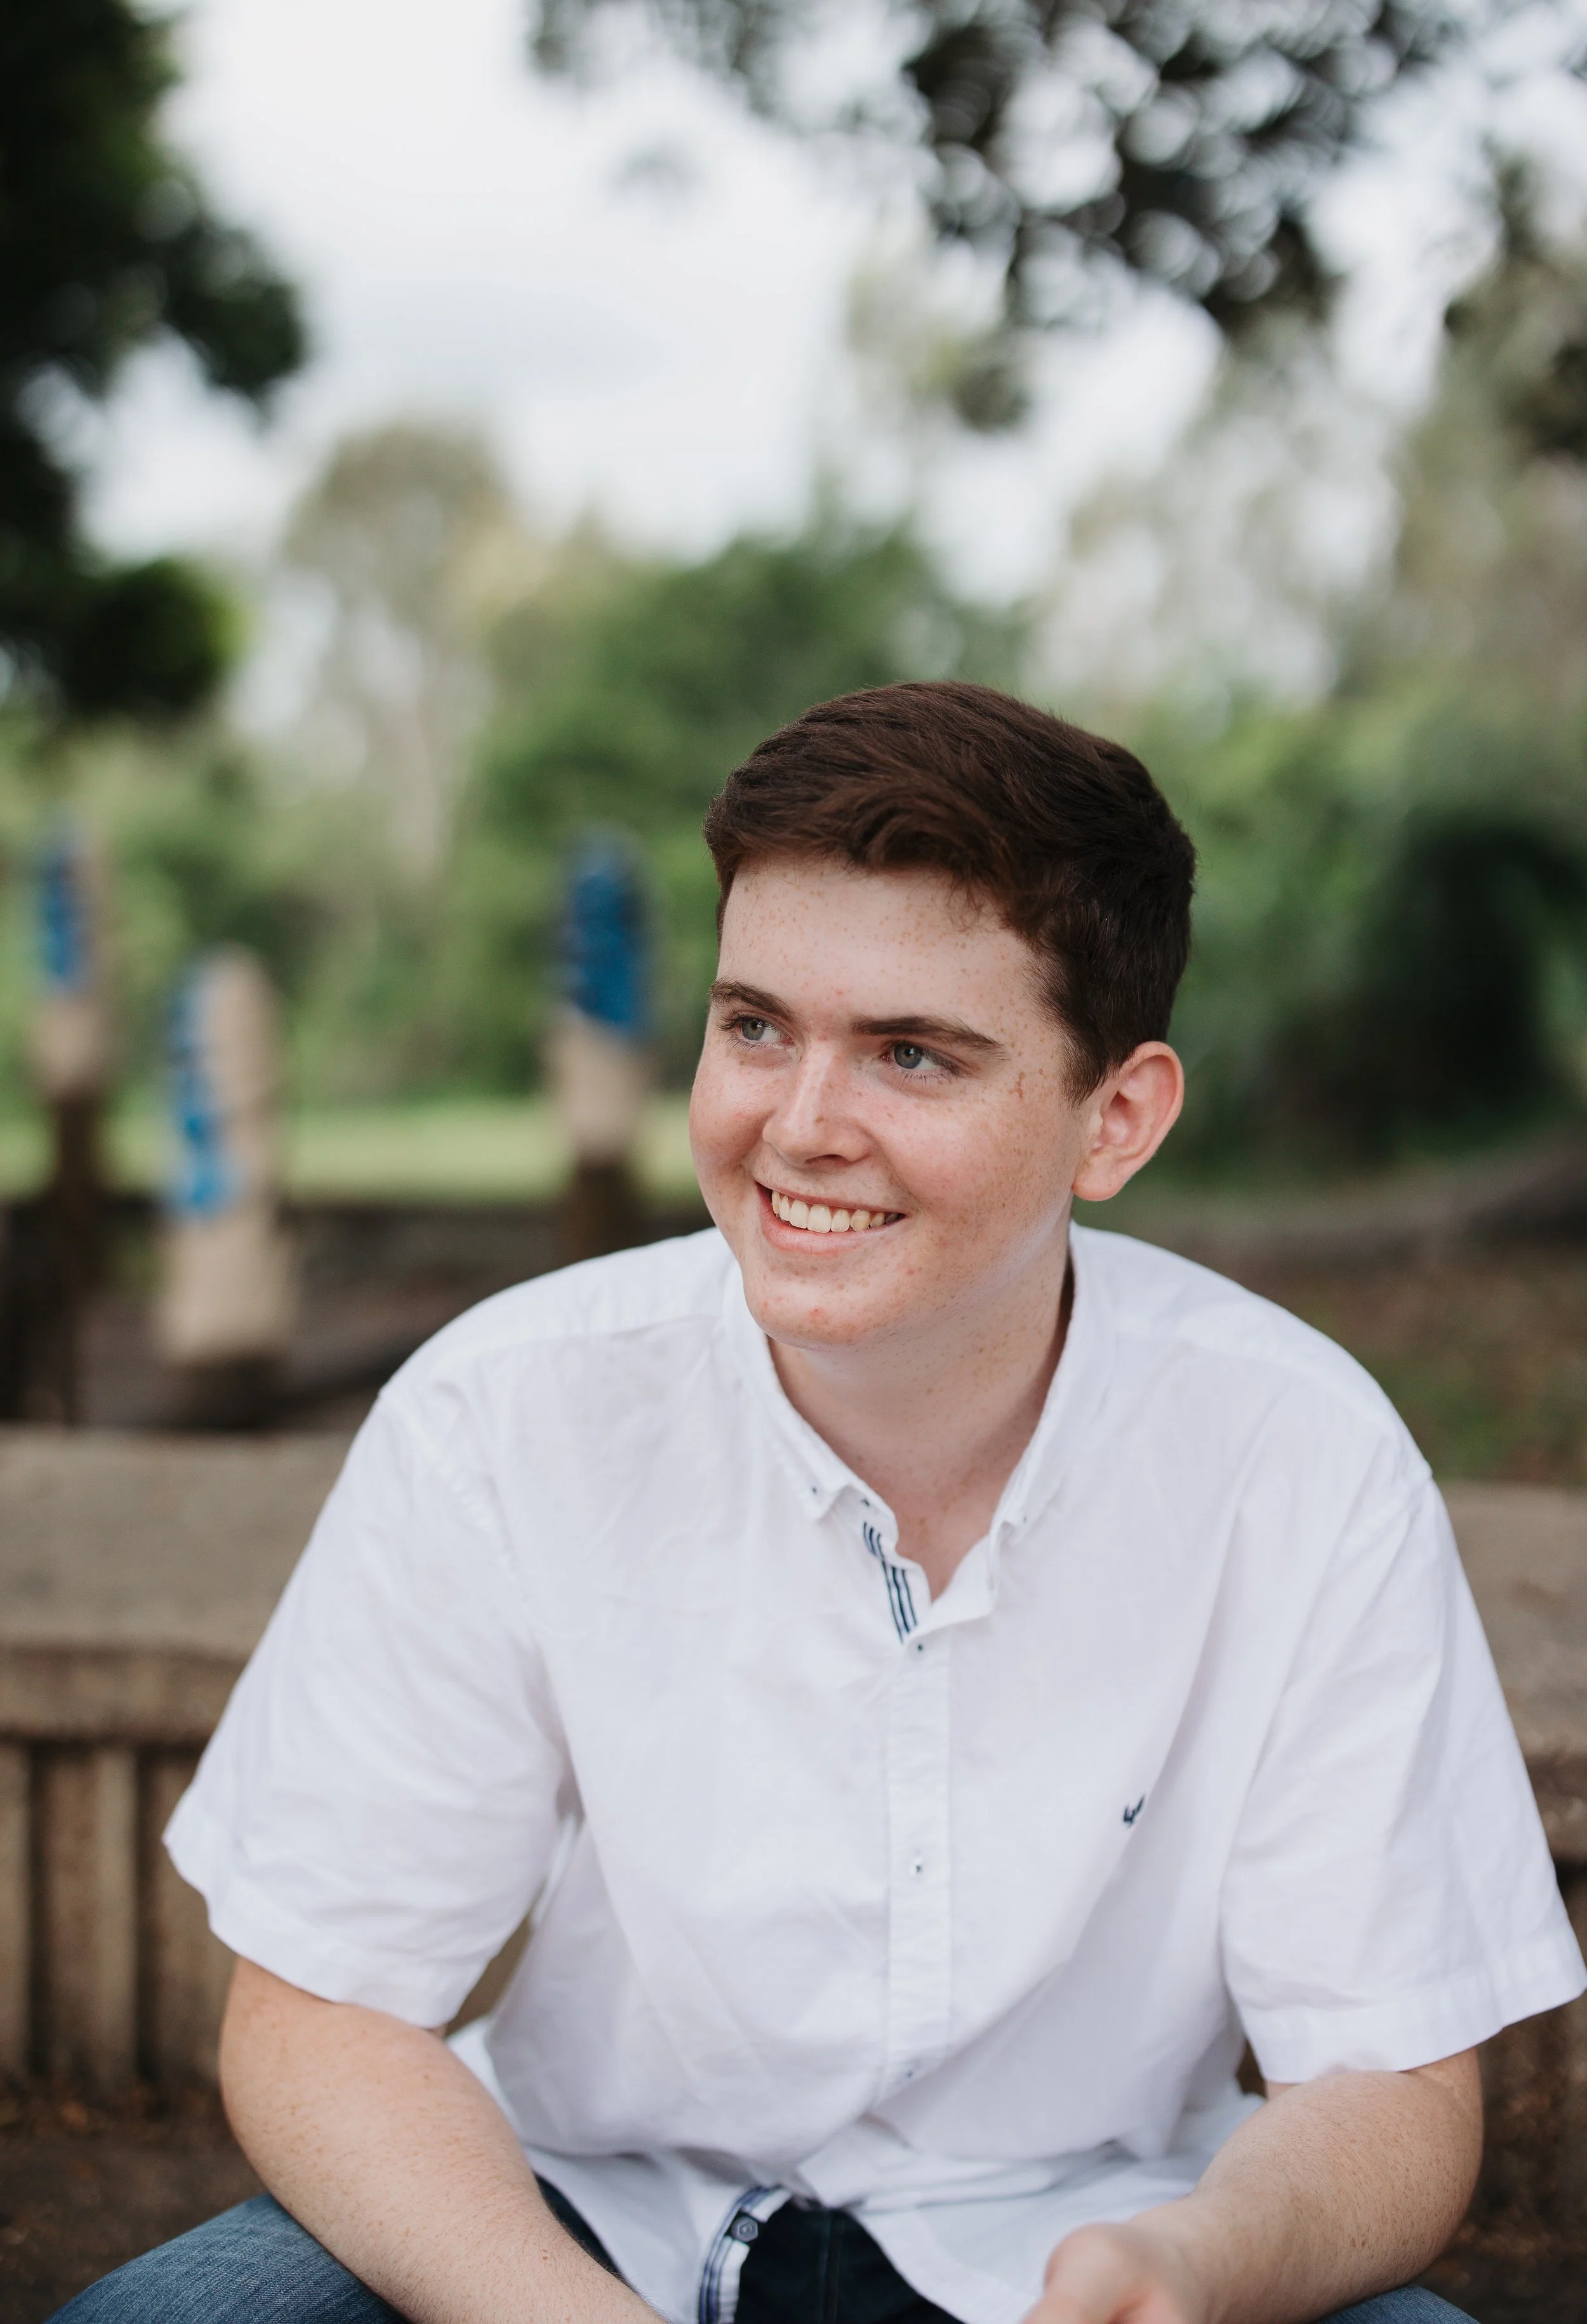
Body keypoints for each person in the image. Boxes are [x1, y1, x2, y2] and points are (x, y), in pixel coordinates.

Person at [60, 683, 1584, 2324]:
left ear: (1116, 1117)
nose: (795, 1126)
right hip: (580, 2220)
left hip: (1096, 2231)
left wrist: (1197, 2265)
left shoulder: (1304, 1457)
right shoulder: (501, 1411)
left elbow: (1392, 2088)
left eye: (910, 1052)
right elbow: (321, 2010)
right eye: (755, 1025)